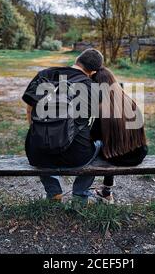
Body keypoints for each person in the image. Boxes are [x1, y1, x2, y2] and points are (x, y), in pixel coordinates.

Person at [22, 48, 104, 203]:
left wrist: (42, 135)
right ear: (93, 72)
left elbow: (29, 111)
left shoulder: (44, 74)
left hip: (38, 154)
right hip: (77, 156)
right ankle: (80, 193)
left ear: (77, 60)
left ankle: (53, 192)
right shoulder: (93, 87)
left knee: (38, 144)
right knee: (100, 144)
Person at [91, 67, 148, 204]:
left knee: (97, 147)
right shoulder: (130, 102)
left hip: (117, 157)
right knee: (112, 145)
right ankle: (106, 192)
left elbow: (93, 137)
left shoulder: (100, 109)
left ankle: (83, 192)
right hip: (139, 153)